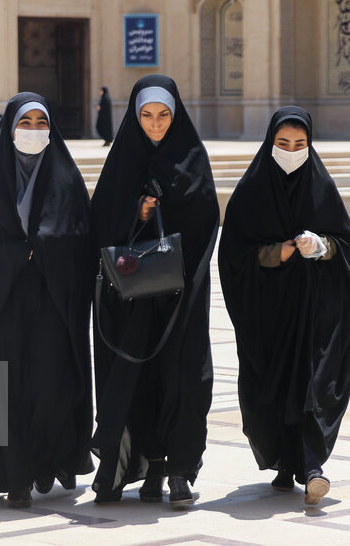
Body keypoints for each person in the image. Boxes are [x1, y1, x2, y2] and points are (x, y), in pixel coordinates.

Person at [0, 92, 95, 508]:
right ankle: (13, 477)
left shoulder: (66, 180)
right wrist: (17, 253)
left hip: (52, 304)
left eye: (41, 123)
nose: (34, 132)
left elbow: (82, 242)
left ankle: (46, 464)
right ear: (9, 128)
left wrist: (47, 246)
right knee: (5, 389)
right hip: (1, 306)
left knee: (51, 387)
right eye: (25, 123)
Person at [218, 106, 350, 507]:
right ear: (269, 143)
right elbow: (232, 255)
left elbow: (346, 245)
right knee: (275, 386)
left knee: (315, 380)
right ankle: (285, 464)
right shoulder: (251, 191)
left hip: (315, 309)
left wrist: (322, 247)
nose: (291, 151)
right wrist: (275, 253)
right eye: (282, 144)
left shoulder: (321, 187)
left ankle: (313, 467)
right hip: (269, 312)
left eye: (300, 144)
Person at [90, 73, 219, 507]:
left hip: (180, 294)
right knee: (133, 377)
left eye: (164, 115)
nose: (156, 124)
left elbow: (205, 223)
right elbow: (102, 224)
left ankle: (178, 472)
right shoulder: (123, 159)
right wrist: (138, 211)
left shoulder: (192, 159)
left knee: (181, 377)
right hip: (132, 298)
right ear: (135, 115)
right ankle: (123, 469)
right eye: (147, 115)